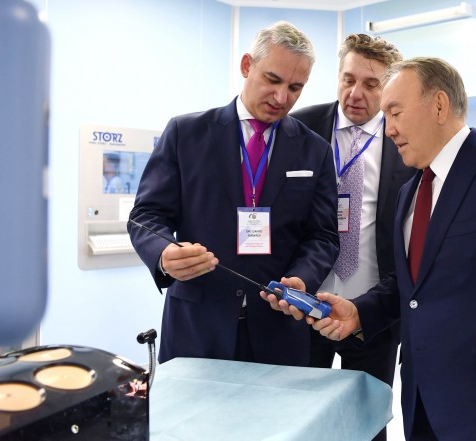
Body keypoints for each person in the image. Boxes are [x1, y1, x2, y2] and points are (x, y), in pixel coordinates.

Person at [267, 57, 476, 441]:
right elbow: (412, 285)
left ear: (438, 105)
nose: (389, 128)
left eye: (395, 112)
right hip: (425, 413)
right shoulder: (411, 191)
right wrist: (359, 313)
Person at [128, 21, 339, 366]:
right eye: (272, 80)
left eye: (295, 87)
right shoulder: (186, 133)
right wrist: (164, 253)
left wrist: (303, 278)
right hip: (197, 326)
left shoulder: (314, 150)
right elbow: (146, 216)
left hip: (278, 330)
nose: (281, 98)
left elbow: (323, 235)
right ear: (246, 66)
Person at [291, 33, 414, 441]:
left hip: (372, 312)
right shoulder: (301, 127)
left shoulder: (406, 139)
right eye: (348, 79)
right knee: (301, 423)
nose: (355, 93)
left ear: (389, 87)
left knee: (367, 426)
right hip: (306, 305)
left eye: (371, 84)